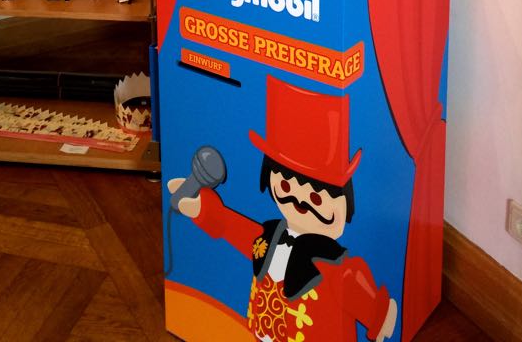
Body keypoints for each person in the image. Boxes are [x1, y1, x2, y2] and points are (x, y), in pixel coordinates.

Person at [168, 75, 398, 342]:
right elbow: (231, 227)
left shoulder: (339, 268)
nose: (300, 201)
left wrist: (379, 316)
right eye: (286, 186)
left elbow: (376, 311)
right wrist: (201, 206)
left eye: (316, 198)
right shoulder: (268, 238)